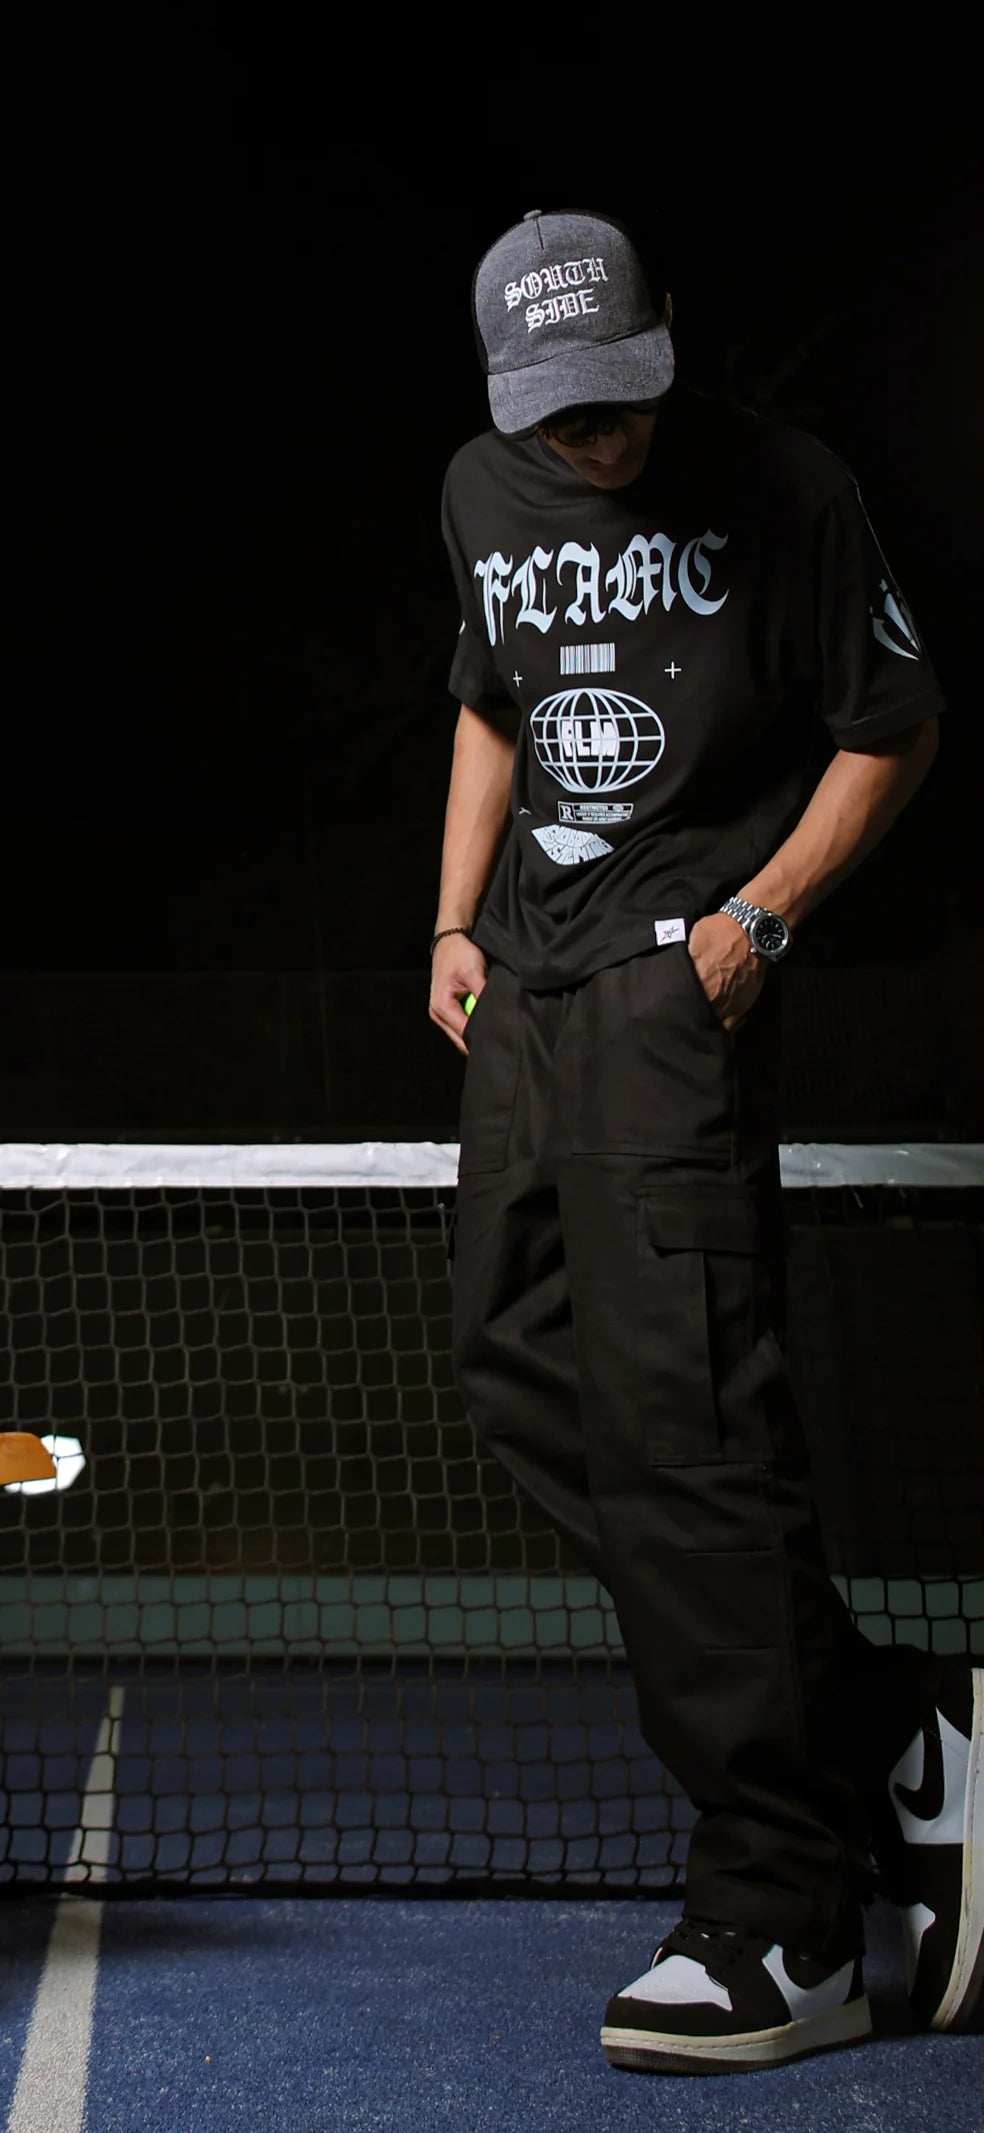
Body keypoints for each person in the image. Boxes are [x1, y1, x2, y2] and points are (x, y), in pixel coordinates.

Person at [428, 205, 977, 2074]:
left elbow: (893, 722)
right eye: (563, 413)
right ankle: (892, 1720)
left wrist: (764, 919)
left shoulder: (788, 488)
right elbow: (488, 706)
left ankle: (786, 1912)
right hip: (523, 990)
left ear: (668, 337)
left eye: (623, 396)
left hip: (677, 990)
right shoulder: (480, 494)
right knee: (518, 1376)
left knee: (691, 1431)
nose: (599, 437)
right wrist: (450, 922)